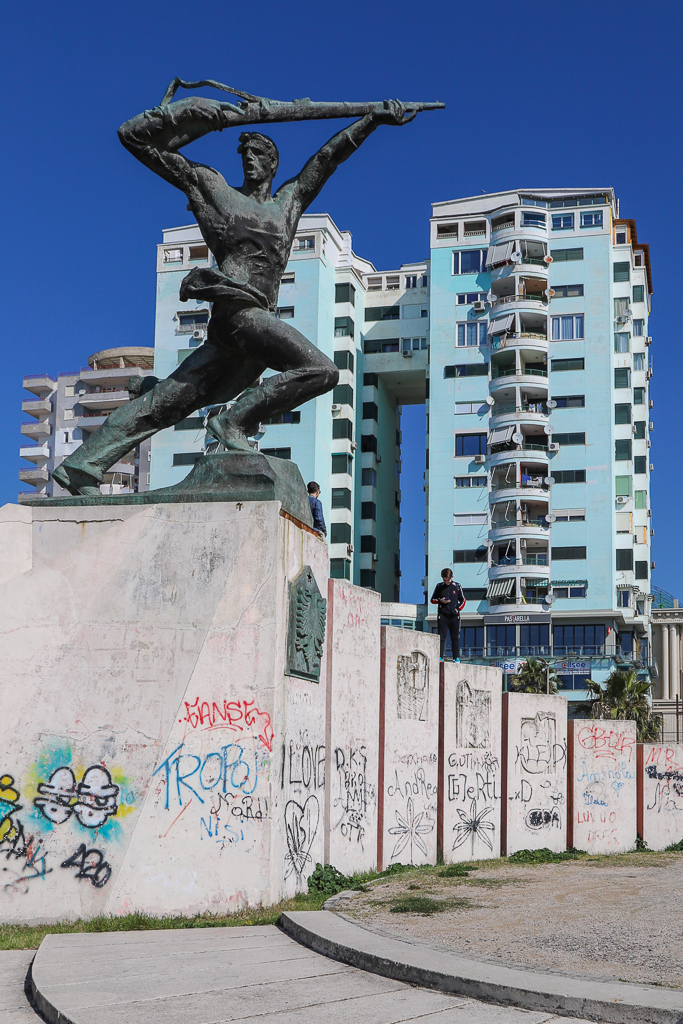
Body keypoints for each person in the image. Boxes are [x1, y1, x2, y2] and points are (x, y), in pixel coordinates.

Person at [52, 92, 418, 496]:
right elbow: (134, 138)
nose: (248, 157)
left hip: (248, 329)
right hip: (239, 313)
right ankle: (232, 422)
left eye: (258, 151)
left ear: (273, 163)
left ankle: (82, 466)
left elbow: (328, 158)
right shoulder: (215, 190)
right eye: (243, 150)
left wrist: (373, 120)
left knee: (170, 400)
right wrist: (190, 114)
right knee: (322, 371)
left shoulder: (287, 205)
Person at [431, 568, 465, 662]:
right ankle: (440, 657)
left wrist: (457, 609)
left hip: (454, 616)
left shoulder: (457, 586)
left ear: (452, 577)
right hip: (443, 615)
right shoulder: (439, 586)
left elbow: (463, 600)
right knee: (441, 637)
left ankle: (456, 658)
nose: (446, 582)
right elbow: (432, 599)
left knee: (455, 637)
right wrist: (440, 600)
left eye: (448, 580)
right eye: (444, 580)